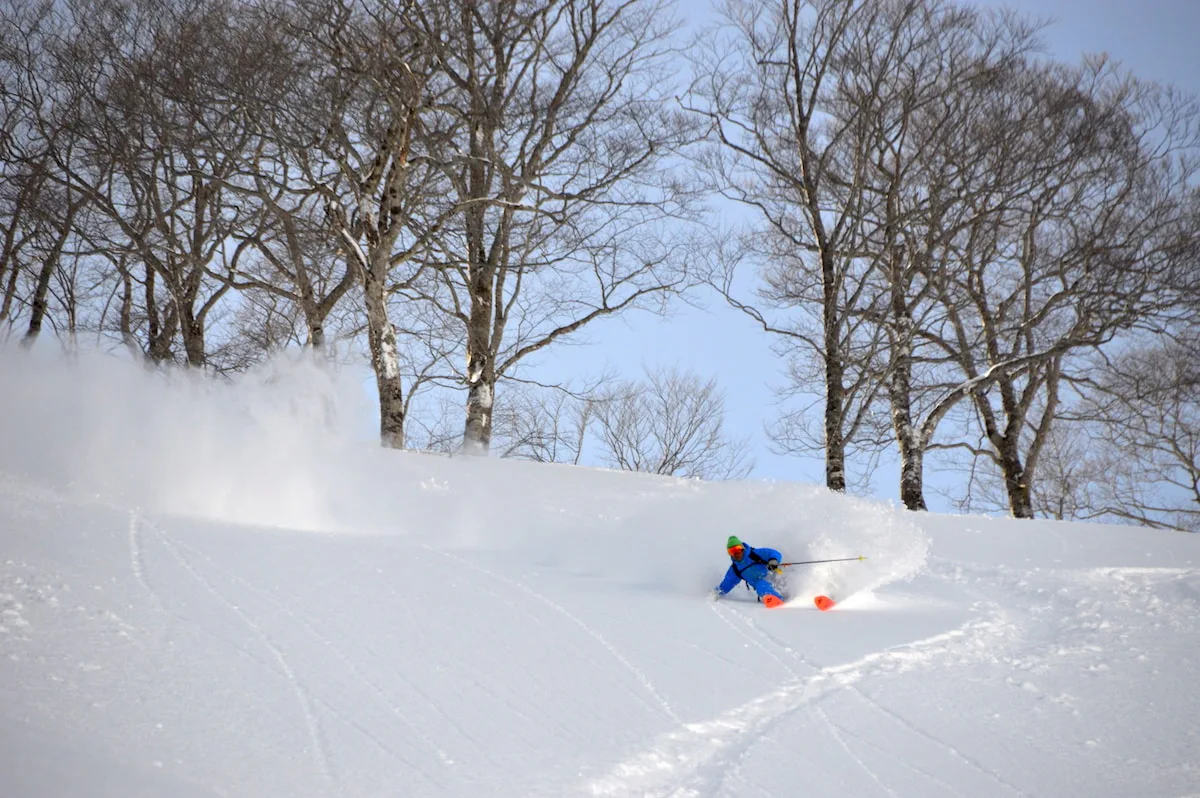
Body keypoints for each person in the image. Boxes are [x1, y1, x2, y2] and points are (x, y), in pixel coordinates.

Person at [712, 535, 786, 608]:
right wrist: (715, 594)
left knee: (777, 583)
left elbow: (773, 553)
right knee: (761, 585)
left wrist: (773, 560)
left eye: (738, 549)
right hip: (761, 585)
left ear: (742, 548)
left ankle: (781, 598)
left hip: (774, 576)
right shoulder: (735, 569)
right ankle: (776, 601)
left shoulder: (754, 554)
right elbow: (727, 584)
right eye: (732, 551)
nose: (736, 553)